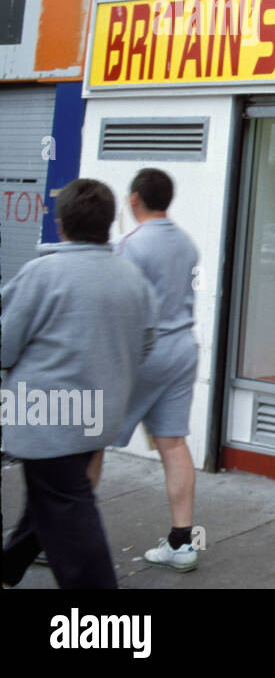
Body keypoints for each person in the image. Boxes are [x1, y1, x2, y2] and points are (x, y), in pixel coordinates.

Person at [1, 178, 157, 589]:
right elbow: (145, 343)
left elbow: (4, 346)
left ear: (61, 223)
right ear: (109, 223)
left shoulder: (42, 273)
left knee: (69, 513)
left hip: (45, 417)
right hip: (98, 414)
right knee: (51, 497)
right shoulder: (132, 278)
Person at [105, 167, 202, 572]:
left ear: (133, 199)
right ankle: (182, 543)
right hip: (183, 349)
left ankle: (59, 534)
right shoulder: (187, 243)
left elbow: (118, 305)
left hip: (145, 354)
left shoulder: (131, 245)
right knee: (173, 443)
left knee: (93, 438)